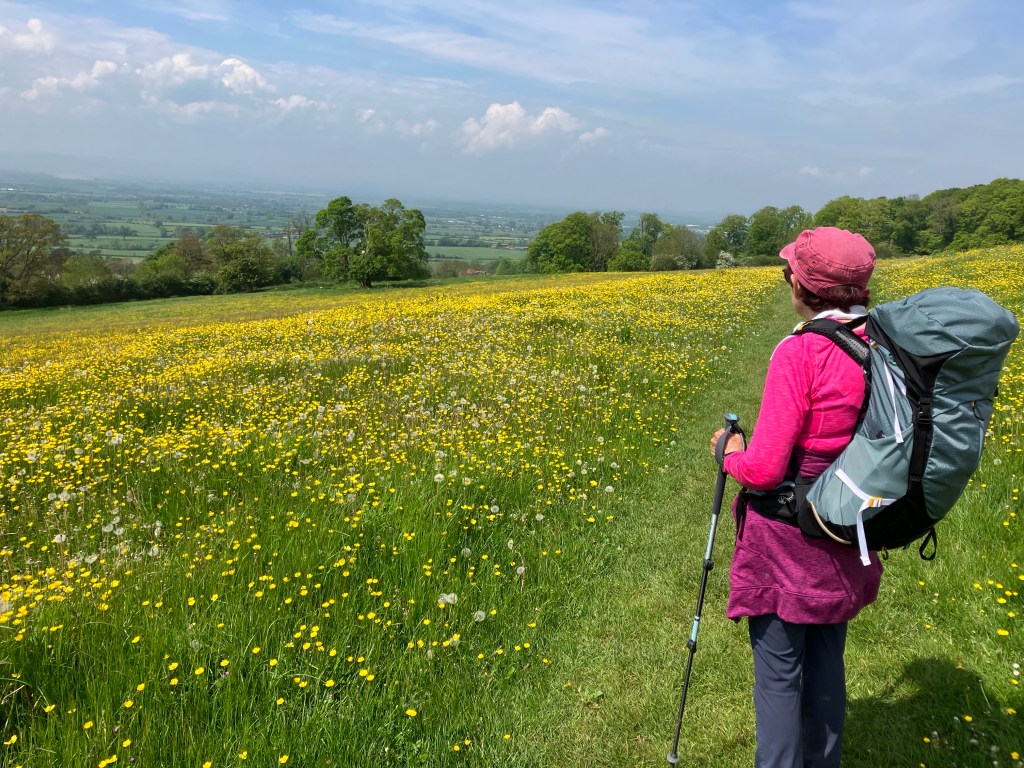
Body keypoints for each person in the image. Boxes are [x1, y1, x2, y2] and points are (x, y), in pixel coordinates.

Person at [709, 226, 884, 768]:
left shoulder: (802, 352)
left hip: (789, 535)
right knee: (827, 657)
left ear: (802, 285)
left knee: (779, 674)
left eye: (790, 272)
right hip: (849, 525)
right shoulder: (880, 344)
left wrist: (728, 453)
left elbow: (763, 471)